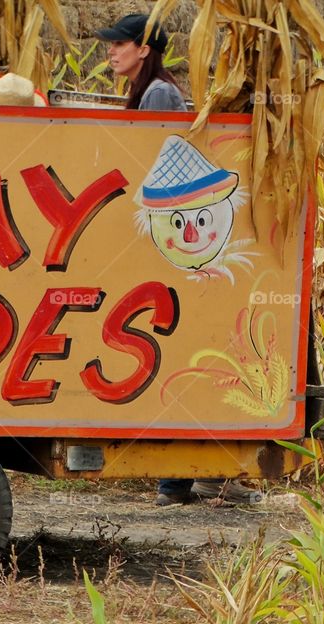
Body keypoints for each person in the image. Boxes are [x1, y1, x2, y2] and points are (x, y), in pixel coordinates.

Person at [98, 15, 261, 508]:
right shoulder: (149, 91)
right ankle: (190, 478)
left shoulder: (160, 97)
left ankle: (183, 480)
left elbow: (155, 161)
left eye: (120, 44)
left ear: (145, 50)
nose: (111, 52)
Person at [96, 14, 186, 112]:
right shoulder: (144, 89)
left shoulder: (159, 92)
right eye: (112, 44)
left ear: (143, 51)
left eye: (119, 43)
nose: (110, 51)